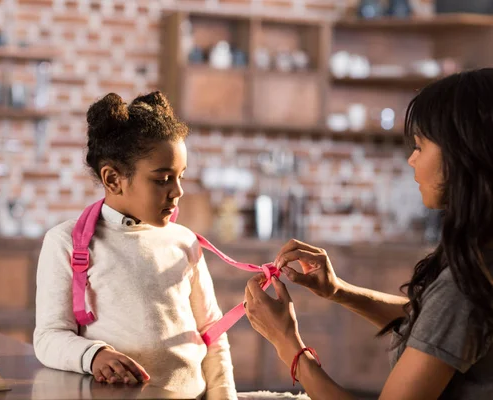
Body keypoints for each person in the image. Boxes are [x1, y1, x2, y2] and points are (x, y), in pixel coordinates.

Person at [243, 69, 493, 399]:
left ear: (462, 154)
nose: (411, 159)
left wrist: (287, 343)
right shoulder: (480, 256)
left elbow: (446, 314)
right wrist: (338, 290)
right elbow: (435, 324)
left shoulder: (461, 287)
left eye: (420, 146)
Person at [33, 91, 237, 400]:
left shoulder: (185, 242)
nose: (177, 191)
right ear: (113, 179)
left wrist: (224, 397)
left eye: (180, 177)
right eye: (162, 179)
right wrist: (93, 355)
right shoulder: (66, 243)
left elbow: (213, 332)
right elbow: (48, 337)